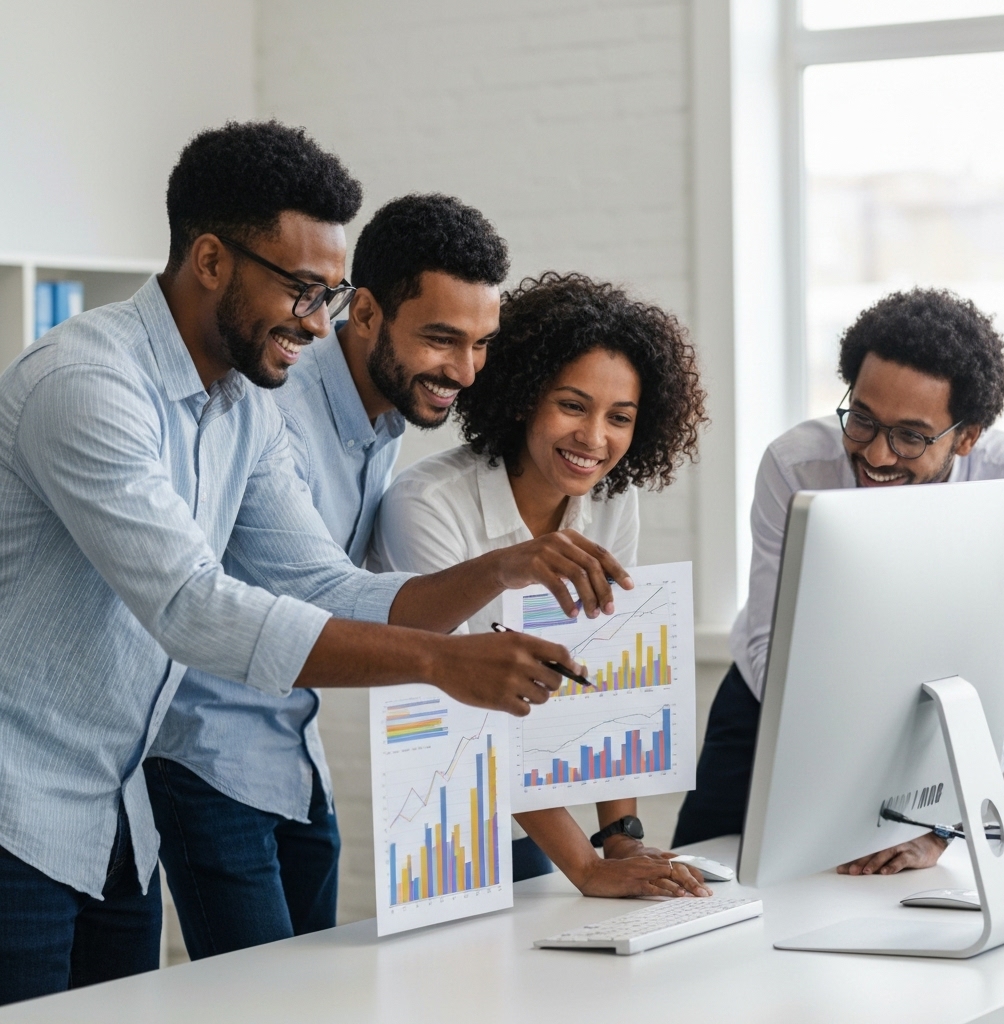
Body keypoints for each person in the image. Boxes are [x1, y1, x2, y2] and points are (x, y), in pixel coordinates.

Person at [0, 123, 628, 1006]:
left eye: (329, 294)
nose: (317, 321)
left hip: (115, 817)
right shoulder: (88, 384)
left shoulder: (241, 404)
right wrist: (443, 664)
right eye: (302, 289)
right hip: (19, 809)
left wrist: (500, 570)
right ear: (211, 260)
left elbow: (323, 584)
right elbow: (190, 606)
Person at [146, 192, 523, 960]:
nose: (465, 370)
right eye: (443, 340)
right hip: (207, 749)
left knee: (318, 986)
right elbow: (316, 590)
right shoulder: (276, 403)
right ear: (369, 315)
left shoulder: (384, 411)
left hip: (292, 747)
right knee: (259, 1000)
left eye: (482, 344)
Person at [372, 272, 712, 898]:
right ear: (525, 394)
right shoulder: (427, 504)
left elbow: (606, 677)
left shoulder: (611, 500)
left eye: (621, 417)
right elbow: (468, 703)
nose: (594, 438)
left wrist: (621, 837)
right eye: (572, 405)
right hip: (447, 814)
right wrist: (584, 864)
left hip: (541, 813)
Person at [672, 287, 1004, 877]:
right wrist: (842, 778)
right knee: (701, 879)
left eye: (911, 435)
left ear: (967, 436)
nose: (877, 454)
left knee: (881, 887)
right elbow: (766, 641)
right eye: (861, 419)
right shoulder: (795, 466)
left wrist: (947, 816)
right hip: (777, 696)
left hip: (932, 706)